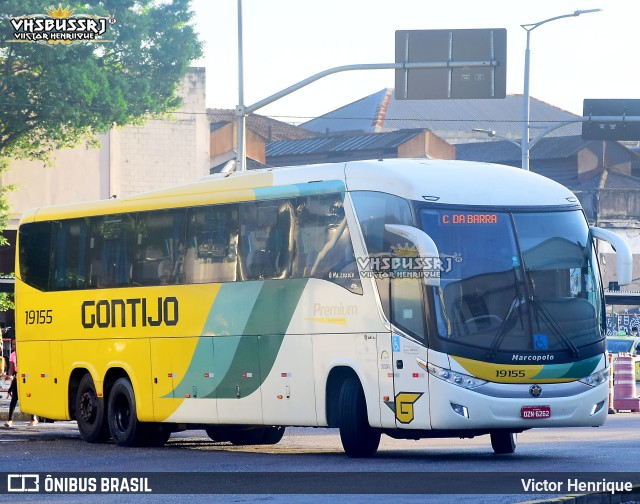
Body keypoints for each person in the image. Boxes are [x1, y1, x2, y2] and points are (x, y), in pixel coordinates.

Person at [3, 339, 38, 427]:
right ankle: (9, 420)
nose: (14, 346)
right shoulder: (12, 355)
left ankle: (33, 419)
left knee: (29, 397)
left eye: (16, 344)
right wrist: (10, 375)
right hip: (17, 378)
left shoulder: (25, 353)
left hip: (27, 378)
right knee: (14, 398)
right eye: (13, 344)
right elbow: (11, 368)